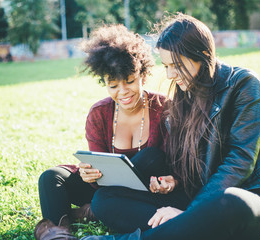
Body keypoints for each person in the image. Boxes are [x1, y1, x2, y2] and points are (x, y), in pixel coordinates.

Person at [74, 13, 260, 240]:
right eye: (166, 66)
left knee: (230, 201)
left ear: (202, 55)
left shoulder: (243, 85)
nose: (171, 75)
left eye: (176, 65)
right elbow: (183, 161)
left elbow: (239, 163)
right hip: (194, 198)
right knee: (106, 199)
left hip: (244, 200)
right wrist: (174, 182)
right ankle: (186, 229)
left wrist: (190, 212)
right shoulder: (183, 95)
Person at [34, 25, 168, 240]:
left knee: (150, 157)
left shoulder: (164, 108)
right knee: (51, 178)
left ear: (142, 74)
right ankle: (57, 235)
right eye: (112, 85)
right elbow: (98, 166)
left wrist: (166, 180)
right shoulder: (99, 113)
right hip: (104, 190)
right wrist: (90, 175)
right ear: (103, 81)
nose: (123, 92)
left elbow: (170, 164)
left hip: (146, 192)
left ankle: (91, 212)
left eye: (130, 81)